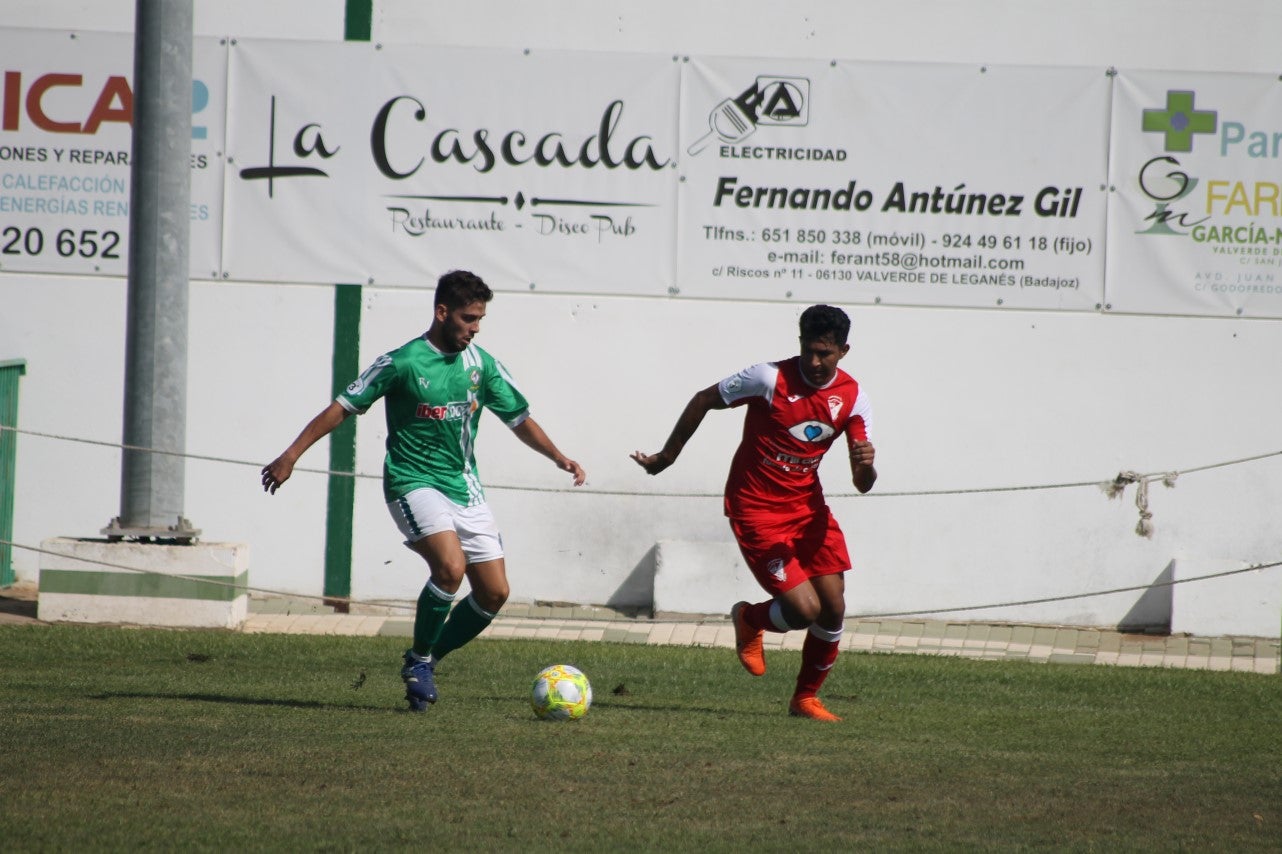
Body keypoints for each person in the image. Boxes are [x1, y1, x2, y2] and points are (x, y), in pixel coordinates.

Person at [262, 270, 586, 712]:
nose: (475, 328)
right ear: (442, 312)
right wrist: (290, 455)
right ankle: (420, 664)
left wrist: (558, 457)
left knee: (494, 593)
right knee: (450, 569)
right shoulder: (402, 362)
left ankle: (423, 659)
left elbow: (519, 418)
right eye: (469, 318)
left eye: (480, 320)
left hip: (463, 486)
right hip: (411, 482)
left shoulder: (480, 364)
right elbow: (342, 407)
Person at [631, 304, 876, 722]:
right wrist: (667, 457)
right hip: (756, 510)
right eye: (808, 351)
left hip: (809, 513)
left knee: (834, 607)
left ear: (843, 351)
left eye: (825, 354)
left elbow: (862, 482)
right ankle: (749, 618)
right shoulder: (769, 378)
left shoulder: (853, 398)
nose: (814, 362)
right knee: (804, 611)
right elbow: (703, 399)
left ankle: (805, 700)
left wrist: (866, 464)